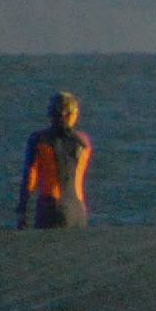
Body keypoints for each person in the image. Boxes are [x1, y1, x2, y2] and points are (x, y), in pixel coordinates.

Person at [17, 91, 92, 229]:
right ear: (72, 115)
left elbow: (29, 178)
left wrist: (22, 211)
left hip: (51, 208)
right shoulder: (84, 142)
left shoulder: (39, 139)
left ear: (51, 115)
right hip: (78, 210)